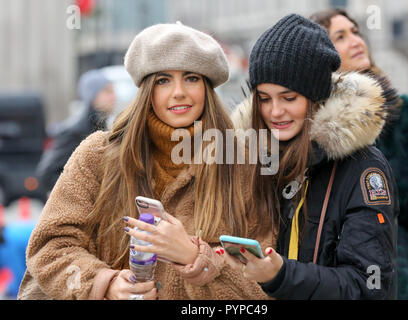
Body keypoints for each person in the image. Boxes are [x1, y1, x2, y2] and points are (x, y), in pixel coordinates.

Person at [18, 22, 276, 300]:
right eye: (163, 80)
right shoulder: (98, 155)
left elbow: (261, 286)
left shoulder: (245, 164)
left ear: (207, 88)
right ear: (146, 90)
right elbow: (50, 245)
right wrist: (105, 284)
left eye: (191, 78)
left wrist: (195, 257)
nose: (179, 92)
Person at [228, 13, 399, 299]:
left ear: (315, 96)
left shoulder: (365, 168)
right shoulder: (255, 161)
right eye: (264, 98)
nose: (275, 112)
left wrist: (281, 275)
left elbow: (371, 285)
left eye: (289, 98)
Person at [310, 8, 408, 300]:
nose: (356, 41)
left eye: (356, 32)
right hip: (327, 280)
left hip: (395, 280)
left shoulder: (400, 111)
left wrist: (379, 177)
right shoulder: (308, 120)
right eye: (340, 36)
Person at [36, 69, 116, 195]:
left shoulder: (106, 129)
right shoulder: (75, 131)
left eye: (113, 91)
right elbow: (47, 175)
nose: (113, 97)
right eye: (107, 91)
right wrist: (81, 193)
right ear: (92, 96)